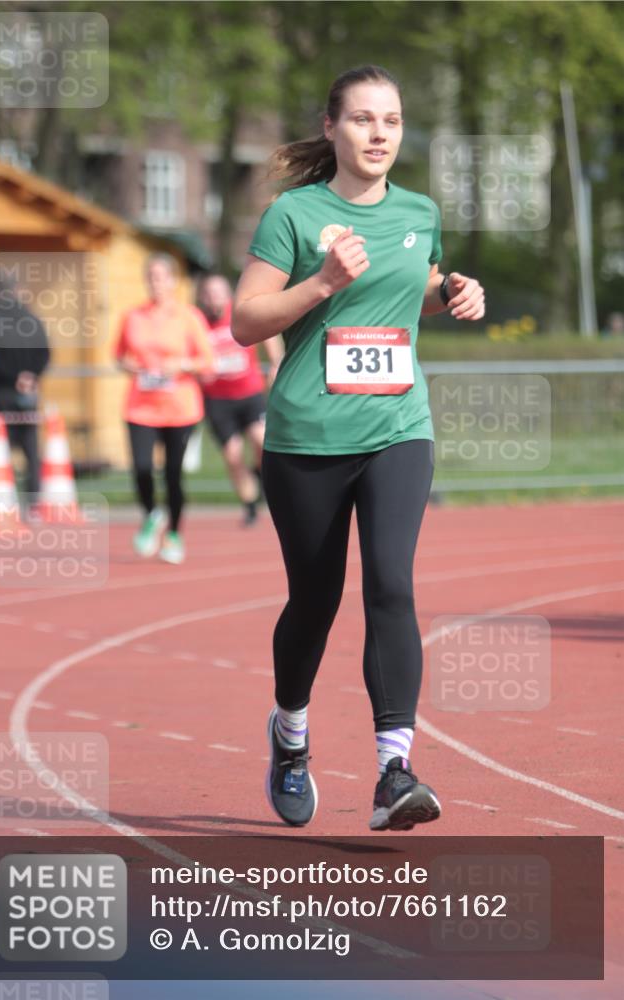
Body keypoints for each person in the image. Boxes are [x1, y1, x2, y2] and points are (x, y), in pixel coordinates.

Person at [232, 65, 485, 831]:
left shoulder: (417, 210)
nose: (380, 134)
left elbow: (418, 277)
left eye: (392, 121)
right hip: (308, 434)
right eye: (364, 120)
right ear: (331, 129)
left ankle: (392, 772)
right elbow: (246, 321)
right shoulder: (294, 214)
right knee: (314, 600)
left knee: (391, 585)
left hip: (397, 427)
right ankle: (290, 732)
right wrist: (321, 282)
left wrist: (450, 292)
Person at [115, 253, 214, 564]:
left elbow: (208, 362)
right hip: (140, 406)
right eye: (151, 277)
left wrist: (182, 364)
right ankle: (151, 514)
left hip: (180, 407)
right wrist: (126, 364)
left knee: (173, 475)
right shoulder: (133, 317)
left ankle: (174, 534)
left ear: (173, 281)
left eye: (161, 276)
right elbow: (118, 355)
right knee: (142, 470)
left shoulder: (189, 317)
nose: (156, 283)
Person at [197, 273, 283, 526]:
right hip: (218, 400)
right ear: (202, 298)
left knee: (261, 442)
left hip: (249, 393)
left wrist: (277, 362)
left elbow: (268, 330)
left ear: (228, 295)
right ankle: (249, 506)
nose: (214, 299)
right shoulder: (198, 323)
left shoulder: (239, 313)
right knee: (233, 456)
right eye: (209, 294)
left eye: (218, 293)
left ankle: (260, 479)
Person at [0, 276, 50, 497]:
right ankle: (34, 500)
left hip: (2, 391)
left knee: (0, 448)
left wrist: (16, 378)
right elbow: (44, 354)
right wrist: (30, 377)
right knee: (30, 448)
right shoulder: (32, 319)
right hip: (26, 392)